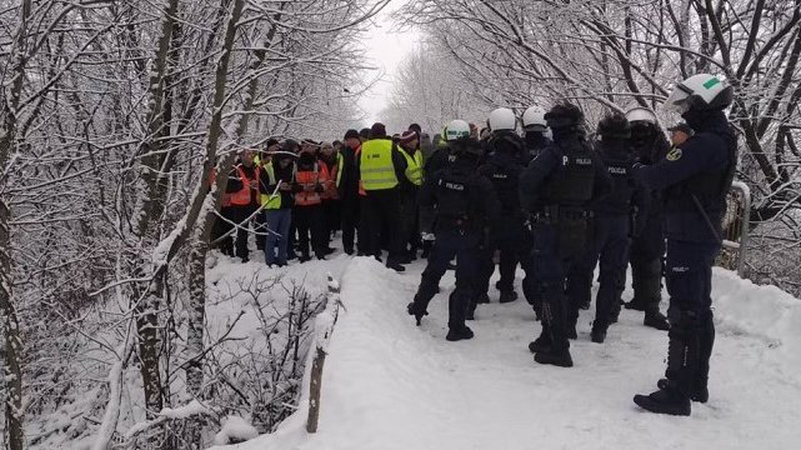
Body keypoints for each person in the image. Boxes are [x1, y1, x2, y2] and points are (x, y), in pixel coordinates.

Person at [632, 74, 737, 416]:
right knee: (699, 308)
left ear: (705, 103)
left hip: (689, 233)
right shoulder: (719, 136)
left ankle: (677, 390)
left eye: (690, 103)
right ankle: (695, 382)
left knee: (685, 311)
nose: (686, 110)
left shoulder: (705, 142)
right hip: (699, 231)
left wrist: (636, 167)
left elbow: (658, 176)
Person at [519, 102, 612, 367]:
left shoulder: (554, 153)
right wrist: (583, 207)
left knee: (550, 285)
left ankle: (559, 347)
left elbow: (527, 182)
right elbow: (607, 186)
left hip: (552, 226)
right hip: (578, 227)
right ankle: (548, 336)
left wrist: (536, 208)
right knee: (563, 281)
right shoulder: (588, 152)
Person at [407, 120, 500, 341]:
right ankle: (456, 327)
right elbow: (494, 211)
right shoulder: (480, 182)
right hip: (470, 234)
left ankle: (418, 309)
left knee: (433, 273)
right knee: (464, 281)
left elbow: (423, 200)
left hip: (445, 231)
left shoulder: (440, 176)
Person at [565, 112, 648, 343]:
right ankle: (600, 327)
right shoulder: (632, 162)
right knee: (611, 277)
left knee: (579, 272)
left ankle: (569, 322)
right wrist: (636, 229)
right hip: (620, 224)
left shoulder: (592, 156)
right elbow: (643, 197)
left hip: (592, 221)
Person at [623, 107, 671, 330]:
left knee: (650, 257)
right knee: (639, 254)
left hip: (651, 208)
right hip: (640, 208)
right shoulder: (655, 145)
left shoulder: (660, 148)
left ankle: (651, 306)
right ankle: (643, 299)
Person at [475, 108, 527, 308]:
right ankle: (506, 289)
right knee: (509, 253)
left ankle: (480, 291)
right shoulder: (520, 145)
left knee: (485, 252)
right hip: (513, 210)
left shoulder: (485, 146)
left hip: (488, 212)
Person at [357, 122, 409, 271]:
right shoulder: (390, 145)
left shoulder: (364, 147)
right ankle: (393, 259)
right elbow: (401, 165)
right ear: (384, 132)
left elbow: (357, 166)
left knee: (373, 225)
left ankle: (373, 256)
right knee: (395, 226)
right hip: (390, 190)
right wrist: (398, 182)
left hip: (369, 192)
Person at [262, 141, 297, 267]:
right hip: (272, 207)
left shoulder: (291, 168)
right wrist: (278, 187)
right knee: (272, 236)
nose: (285, 164)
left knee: (284, 236)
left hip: (286, 206)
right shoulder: (267, 169)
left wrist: (290, 188)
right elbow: (262, 188)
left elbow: (295, 184)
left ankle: (282, 259)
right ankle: (269, 260)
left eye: (287, 162)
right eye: (283, 162)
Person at [293, 146, 328, 261]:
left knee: (317, 231)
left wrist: (316, 187)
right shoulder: (294, 169)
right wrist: (301, 188)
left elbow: (325, 184)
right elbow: (290, 185)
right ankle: (305, 253)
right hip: (299, 205)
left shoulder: (318, 168)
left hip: (315, 204)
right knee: (302, 232)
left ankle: (319, 252)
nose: (306, 168)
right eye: (304, 166)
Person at [225, 149, 261, 262]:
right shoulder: (234, 169)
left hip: (255, 202)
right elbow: (228, 187)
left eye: (252, 154)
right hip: (239, 204)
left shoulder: (256, 168)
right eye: (248, 154)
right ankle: (242, 254)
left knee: (259, 227)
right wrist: (245, 185)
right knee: (242, 230)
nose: (251, 156)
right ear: (241, 156)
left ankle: (261, 248)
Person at [397, 130, 424, 261]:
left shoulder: (417, 153)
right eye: (414, 139)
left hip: (417, 191)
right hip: (406, 192)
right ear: (408, 142)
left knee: (415, 222)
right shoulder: (400, 154)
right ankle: (401, 251)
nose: (417, 141)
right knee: (406, 223)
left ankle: (413, 247)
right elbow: (401, 175)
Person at [338, 130, 362, 255]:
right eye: (346, 140)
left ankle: (362, 245)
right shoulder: (343, 152)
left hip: (360, 191)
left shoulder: (363, 150)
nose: (347, 142)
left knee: (361, 221)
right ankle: (348, 246)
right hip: (347, 191)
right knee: (347, 222)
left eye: (349, 140)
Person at [319, 141, 341, 253]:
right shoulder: (318, 162)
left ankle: (326, 245)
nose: (327, 150)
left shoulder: (337, 161)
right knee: (322, 223)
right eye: (324, 148)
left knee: (329, 222)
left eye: (329, 148)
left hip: (334, 194)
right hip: (322, 196)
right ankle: (321, 246)